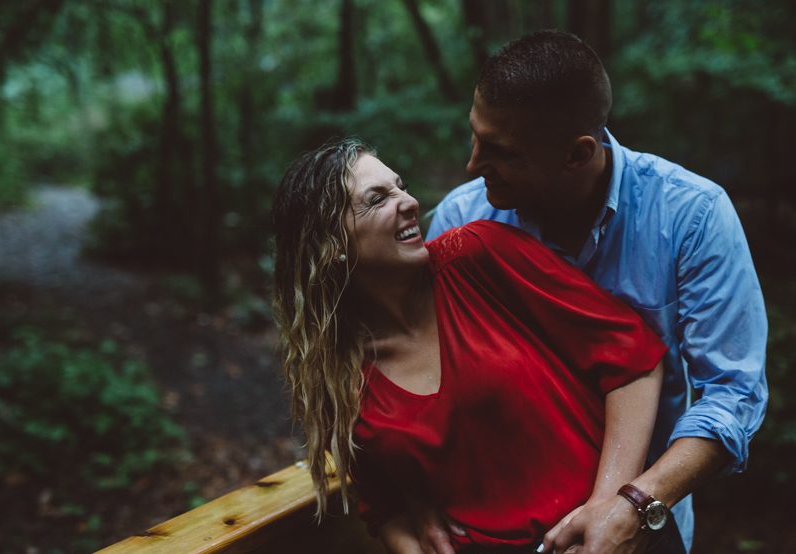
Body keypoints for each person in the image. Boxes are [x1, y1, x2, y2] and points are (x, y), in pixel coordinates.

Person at [425, 30, 768, 554]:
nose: (473, 164)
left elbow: (733, 393)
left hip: (646, 524)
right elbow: (426, 377)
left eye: (501, 151)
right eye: (475, 136)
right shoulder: (461, 218)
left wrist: (634, 503)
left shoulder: (691, 216)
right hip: (496, 530)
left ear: (577, 154)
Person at [271, 138, 679, 553]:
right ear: (333, 245)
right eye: (377, 199)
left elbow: (633, 359)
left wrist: (609, 509)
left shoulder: (477, 256)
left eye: (401, 186)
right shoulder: (339, 373)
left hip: (613, 537)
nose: (409, 202)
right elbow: (384, 506)